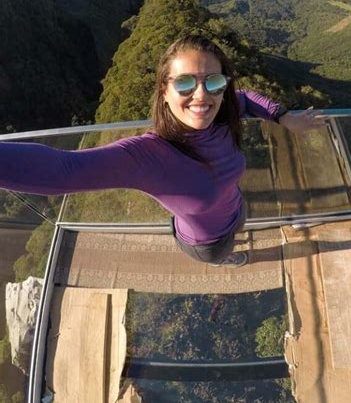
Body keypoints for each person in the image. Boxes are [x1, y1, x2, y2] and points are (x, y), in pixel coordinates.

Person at [0, 35, 324, 268]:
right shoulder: (148, 155)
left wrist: (283, 116)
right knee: (222, 254)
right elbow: (61, 170)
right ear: (164, 91)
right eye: (185, 83)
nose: (201, 95)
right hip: (205, 242)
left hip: (236, 211)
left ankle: (230, 246)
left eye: (213, 82)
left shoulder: (224, 112)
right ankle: (224, 260)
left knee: (237, 229)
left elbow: (247, 98)